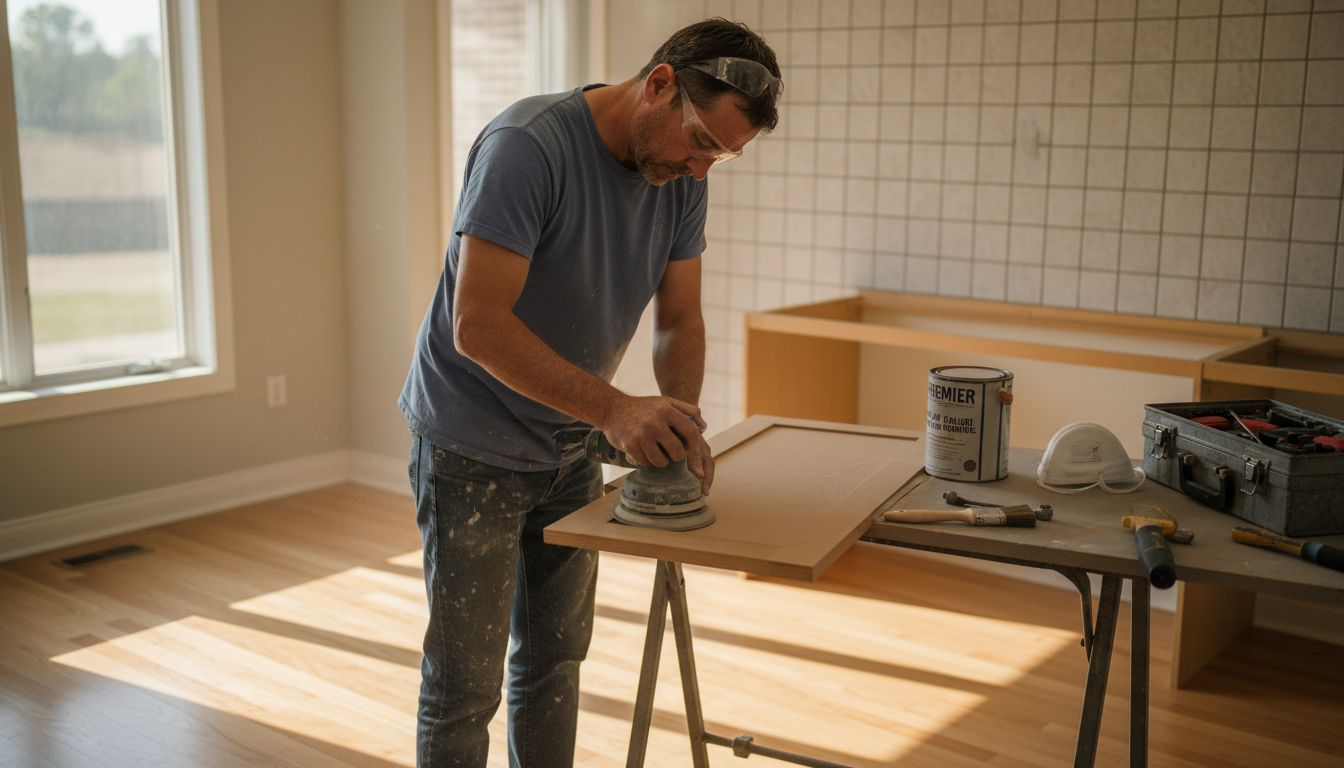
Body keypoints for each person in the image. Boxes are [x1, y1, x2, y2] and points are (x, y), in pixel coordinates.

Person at [397, 17, 782, 768]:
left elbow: (679, 319)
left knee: (554, 663)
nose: (703, 169)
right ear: (661, 84)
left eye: (723, 158)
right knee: (463, 688)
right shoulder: (529, 148)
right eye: (702, 142)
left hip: (567, 439)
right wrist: (614, 409)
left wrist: (681, 421)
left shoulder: (677, 182)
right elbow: (476, 325)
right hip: (469, 446)